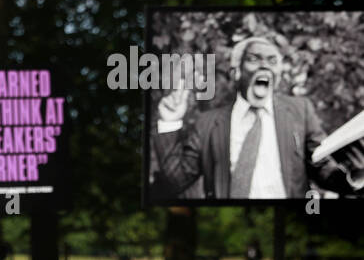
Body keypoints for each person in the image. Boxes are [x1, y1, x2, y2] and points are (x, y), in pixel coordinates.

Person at [151, 35, 364, 201]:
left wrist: (355, 176)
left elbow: (321, 167)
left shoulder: (301, 110)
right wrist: (169, 122)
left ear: (278, 73)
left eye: (272, 61)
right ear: (236, 72)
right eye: (254, 59)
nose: (265, 66)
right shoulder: (208, 123)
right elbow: (175, 181)